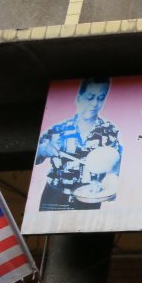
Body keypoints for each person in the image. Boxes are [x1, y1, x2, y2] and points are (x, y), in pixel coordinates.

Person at [35, 77, 123, 211]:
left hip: (89, 198)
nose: (95, 103)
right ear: (79, 97)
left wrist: (106, 185)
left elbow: (116, 167)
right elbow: (35, 159)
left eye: (101, 98)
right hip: (54, 197)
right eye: (90, 97)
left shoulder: (109, 131)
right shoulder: (57, 130)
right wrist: (42, 149)